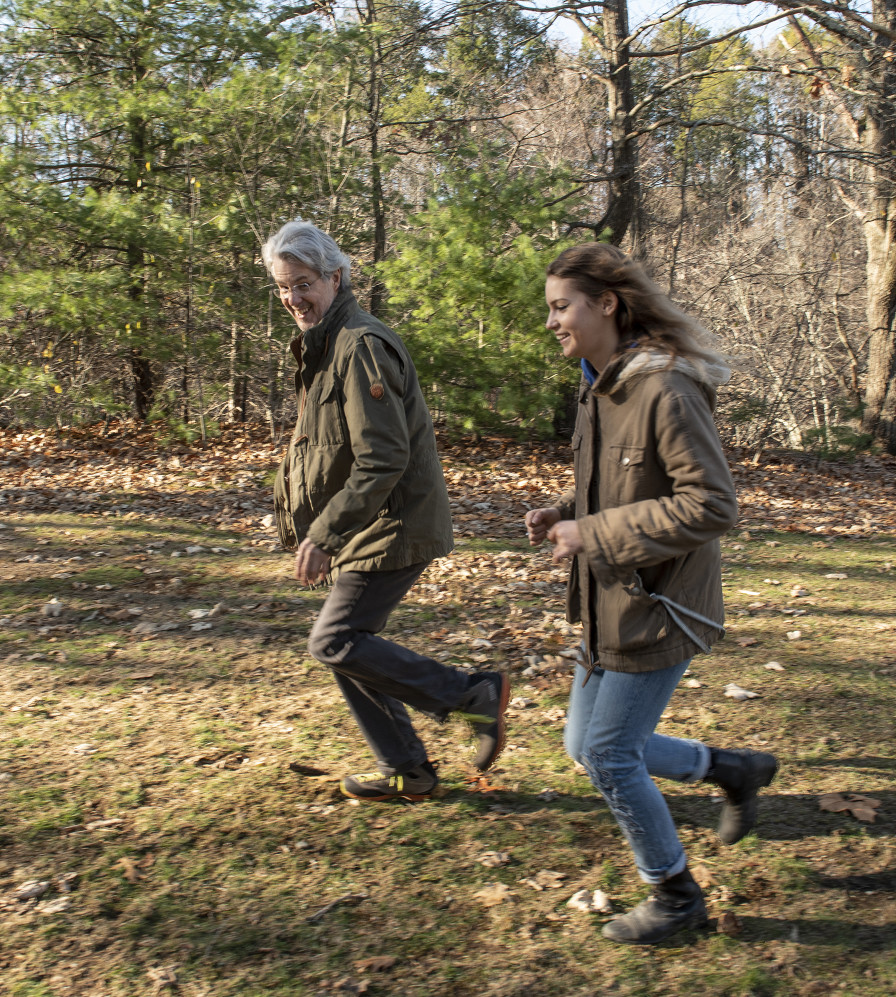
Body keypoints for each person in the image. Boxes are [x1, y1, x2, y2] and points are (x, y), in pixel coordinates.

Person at [525, 242, 778, 945]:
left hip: (660, 604)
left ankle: (675, 894)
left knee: (609, 755)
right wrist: (563, 510)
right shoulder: (599, 382)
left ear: (606, 303)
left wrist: (594, 531)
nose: (553, 321)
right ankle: (731, 768)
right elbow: (623, 481)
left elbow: (712, 504)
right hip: (607, 601)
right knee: (586, 743)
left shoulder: (664, 386)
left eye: (561, 305)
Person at [264, 220, 509, 802]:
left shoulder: (360, 345)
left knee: (335, 640)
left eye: (303, 283)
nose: (293, 299)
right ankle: (407, 770)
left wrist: (324, 533)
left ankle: (469, 694)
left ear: (336, 277)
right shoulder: (326, 343)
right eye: (282, 287)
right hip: (366, 524)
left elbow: (384, 457)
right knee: (351, 644)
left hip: (393, 521)